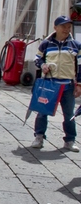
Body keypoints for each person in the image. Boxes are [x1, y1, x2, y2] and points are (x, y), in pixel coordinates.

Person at [29, 15, 81, 152]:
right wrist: (43, 65)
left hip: (68, 85)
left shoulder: (75, 45)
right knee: (42, 111)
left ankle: (70, 140)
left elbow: (80, 66)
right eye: (63, 26)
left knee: (69, 114)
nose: (66, 29)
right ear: (55, 27)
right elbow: (37, 58)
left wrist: (79, 84)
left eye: (69, 27)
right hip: (49, 84)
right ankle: (39, 137)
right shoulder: (46, 44)